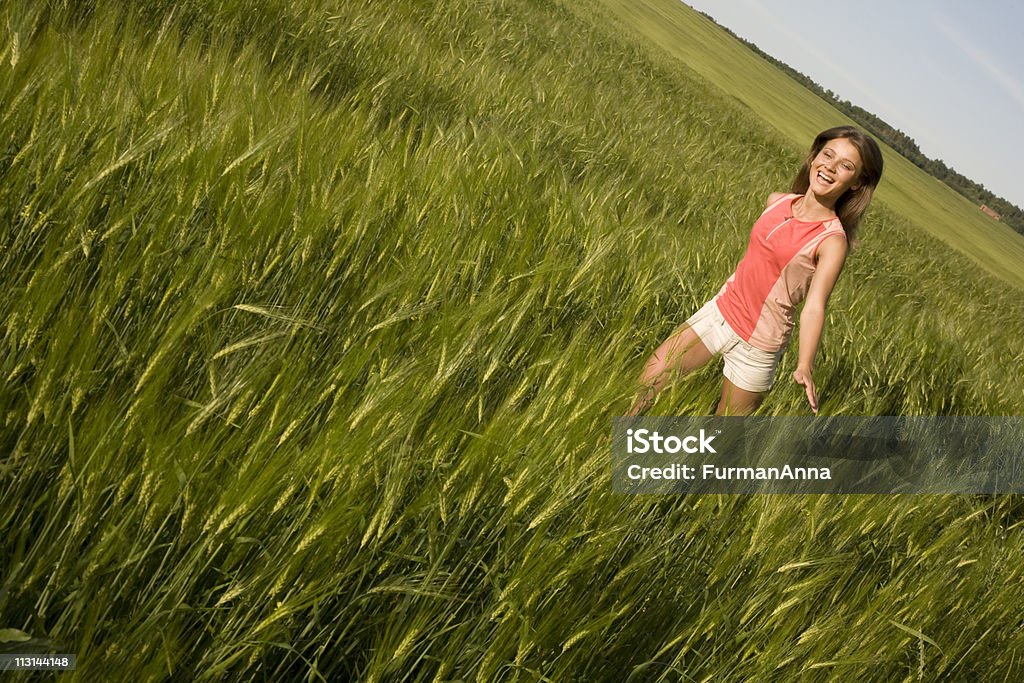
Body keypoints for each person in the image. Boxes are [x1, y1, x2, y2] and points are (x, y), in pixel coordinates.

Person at [629, 126, 884, 416]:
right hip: (720, 314)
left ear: (856, 183)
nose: (830, 167)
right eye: (828, 155)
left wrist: (805, 364)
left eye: (846, 166)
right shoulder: (778, 201)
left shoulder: (832, 240)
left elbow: (815, 306)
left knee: (721, 438)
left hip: (758, 346)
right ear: (814, 157)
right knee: (645, 386)